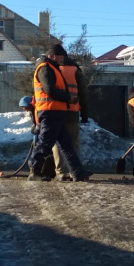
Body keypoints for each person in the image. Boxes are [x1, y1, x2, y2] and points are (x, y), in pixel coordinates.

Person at [28, 46, 89, 182]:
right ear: (54, 56)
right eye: (61, 56)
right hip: (49, 111)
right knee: (45, 143)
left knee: (66, 144)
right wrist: (68, 98)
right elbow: (50, 90)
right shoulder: (45, 68)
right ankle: (35, 171)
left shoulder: (51, 67)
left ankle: (78, 173)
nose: (62, 59)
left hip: (56, 111)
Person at [49, 45, 89, 182]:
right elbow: (83, 94)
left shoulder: (51, 69)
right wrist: (84, 113)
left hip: (54, 110)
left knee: (57, 143)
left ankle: (61, 173)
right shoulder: (74, 70)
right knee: (73, 142)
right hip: (72, 111)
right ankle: (75, 172)